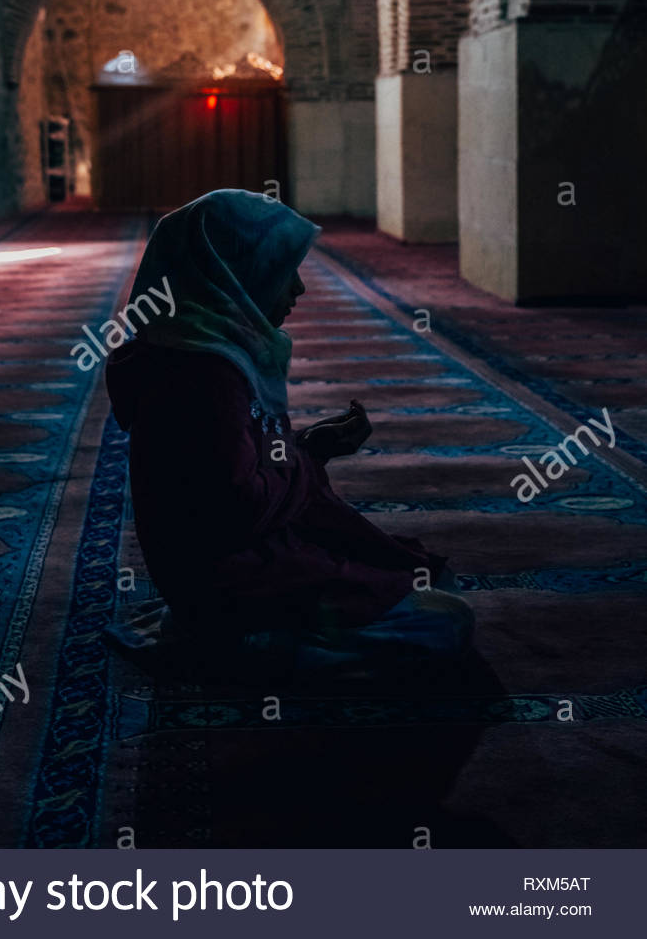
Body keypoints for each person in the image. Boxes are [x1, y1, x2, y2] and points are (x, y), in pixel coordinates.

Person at [105, 189, 473, 678]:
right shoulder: (204, 373)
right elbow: (238, 509)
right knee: (444, 622)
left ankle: (232, 632)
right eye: (282, 269)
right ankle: (237, 642)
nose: (298, 288)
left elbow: (238, 475)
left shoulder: (206, 349)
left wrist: (310, 449)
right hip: (230, 574)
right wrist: (304, 460)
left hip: (230, 560)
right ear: (236, 274)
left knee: (432, 580)